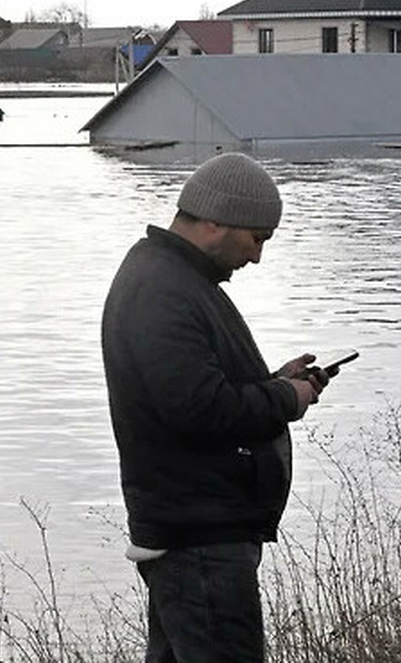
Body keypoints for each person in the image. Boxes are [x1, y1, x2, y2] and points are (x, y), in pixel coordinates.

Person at [101, 152, 332, 662]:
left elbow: (192, 390)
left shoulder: (173, 280)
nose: (256, 258)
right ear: (214, 221)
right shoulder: (163, 290)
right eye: (256, 239)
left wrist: (272, 382)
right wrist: (284, 399)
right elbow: (199, 411)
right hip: (199, 542)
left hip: (194, 535)